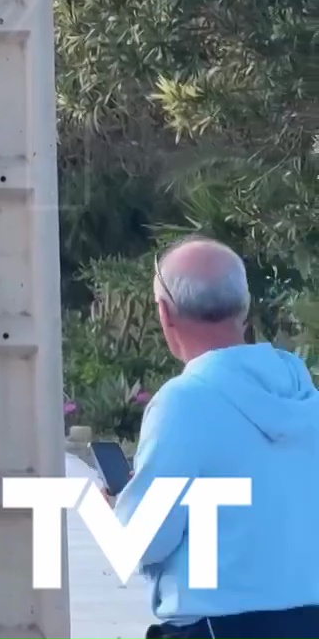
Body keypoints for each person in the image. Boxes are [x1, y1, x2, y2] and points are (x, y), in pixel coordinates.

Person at [110, 237, 319, 639]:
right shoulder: (305, 396)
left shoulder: (184, 404)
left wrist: (120, 508)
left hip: (221, 628)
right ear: (244, 306)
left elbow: (141, 542)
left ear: (164, 312)